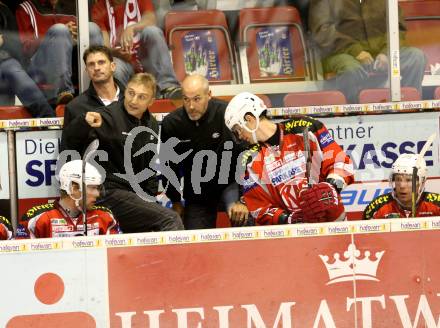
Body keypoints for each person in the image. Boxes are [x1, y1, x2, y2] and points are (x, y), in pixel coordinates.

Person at [61, 72, 184, 232]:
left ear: (151, 101)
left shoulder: (152, 123)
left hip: (134, 196)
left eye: (141, 97)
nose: (133, 100)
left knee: (153, 222)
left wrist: (150, 200)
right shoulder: (106, 116)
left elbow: (150, 168)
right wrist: (83, 122)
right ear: (125, 91)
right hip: (107, 192)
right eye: (131, 93)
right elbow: (71, 139)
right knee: (170, 219)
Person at [224, 92, 354, 225]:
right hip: (294, 233)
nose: (239, 137)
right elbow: (259, 208)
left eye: (237, 130)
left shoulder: (306, 128)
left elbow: (340, 162)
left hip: (335, 223)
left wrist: (331, 187)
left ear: (249, 119)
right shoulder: (249, 160)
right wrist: (290, 219)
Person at [161, 74, 249, 229]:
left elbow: (245, 156)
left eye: (196, 99)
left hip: (229, 184)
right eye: (186, 99)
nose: (191, 106)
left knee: (244, 219)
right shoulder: (172, 123)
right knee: (195, 239)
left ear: (209, 95)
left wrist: (242, 199)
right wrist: (175, 200)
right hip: (197, 191)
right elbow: (169, 167)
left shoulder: (227, 114)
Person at [309, 0, 426, 104]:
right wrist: (355, 51)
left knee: (416, 57)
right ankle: (354, 117)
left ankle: (408, 107)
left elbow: (397, 27)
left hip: (380, 54)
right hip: (340, 52)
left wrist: (386, 52)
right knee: (350, 69)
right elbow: (322, 31)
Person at [15, 0, 103, 104]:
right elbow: (26, 50)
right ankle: (63, 92)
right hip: (39, 70)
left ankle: (98, 88)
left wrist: (74, 38)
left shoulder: (78, 5)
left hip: (73, 66)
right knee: (60, 30)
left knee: (91, 28)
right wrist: (55, 36)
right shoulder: (26, 8)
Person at [91, 0, 182, 99]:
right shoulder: (100, 7)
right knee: (114, 66)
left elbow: (150, 20)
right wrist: (116, 53)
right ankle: (122, 101)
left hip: (145, 58)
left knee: (152, 31)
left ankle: (168, 88)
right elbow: (106, 48)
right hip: (122, 61)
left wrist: (132, 28)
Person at [18, 160, 120, 238]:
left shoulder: (105, 217)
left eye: (98, 188)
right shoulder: (36, 218)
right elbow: (21, 259)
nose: (97, 194)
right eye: (93, 188)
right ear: (74, 188)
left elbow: (115, 255)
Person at [61, 45, 124, 152]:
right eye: (91, 64)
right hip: (93, 167)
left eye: (101, 62)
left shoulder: (132, 101)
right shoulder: (75, 107)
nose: (96, 68)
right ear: (86, 70)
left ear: (113, 66)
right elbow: (67, 151)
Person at [0, 1, 55, 117]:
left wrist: (3, 41)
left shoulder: (3, 11)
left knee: (11, 67)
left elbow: (16, 46)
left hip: (3, 65)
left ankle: (48, 119)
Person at [363, 154, 440, 219]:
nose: (402, 185)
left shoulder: (437, 204)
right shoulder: (377, 207)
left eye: (409, 180)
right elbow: (364, 236)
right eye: (398, 179)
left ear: (422, 182)